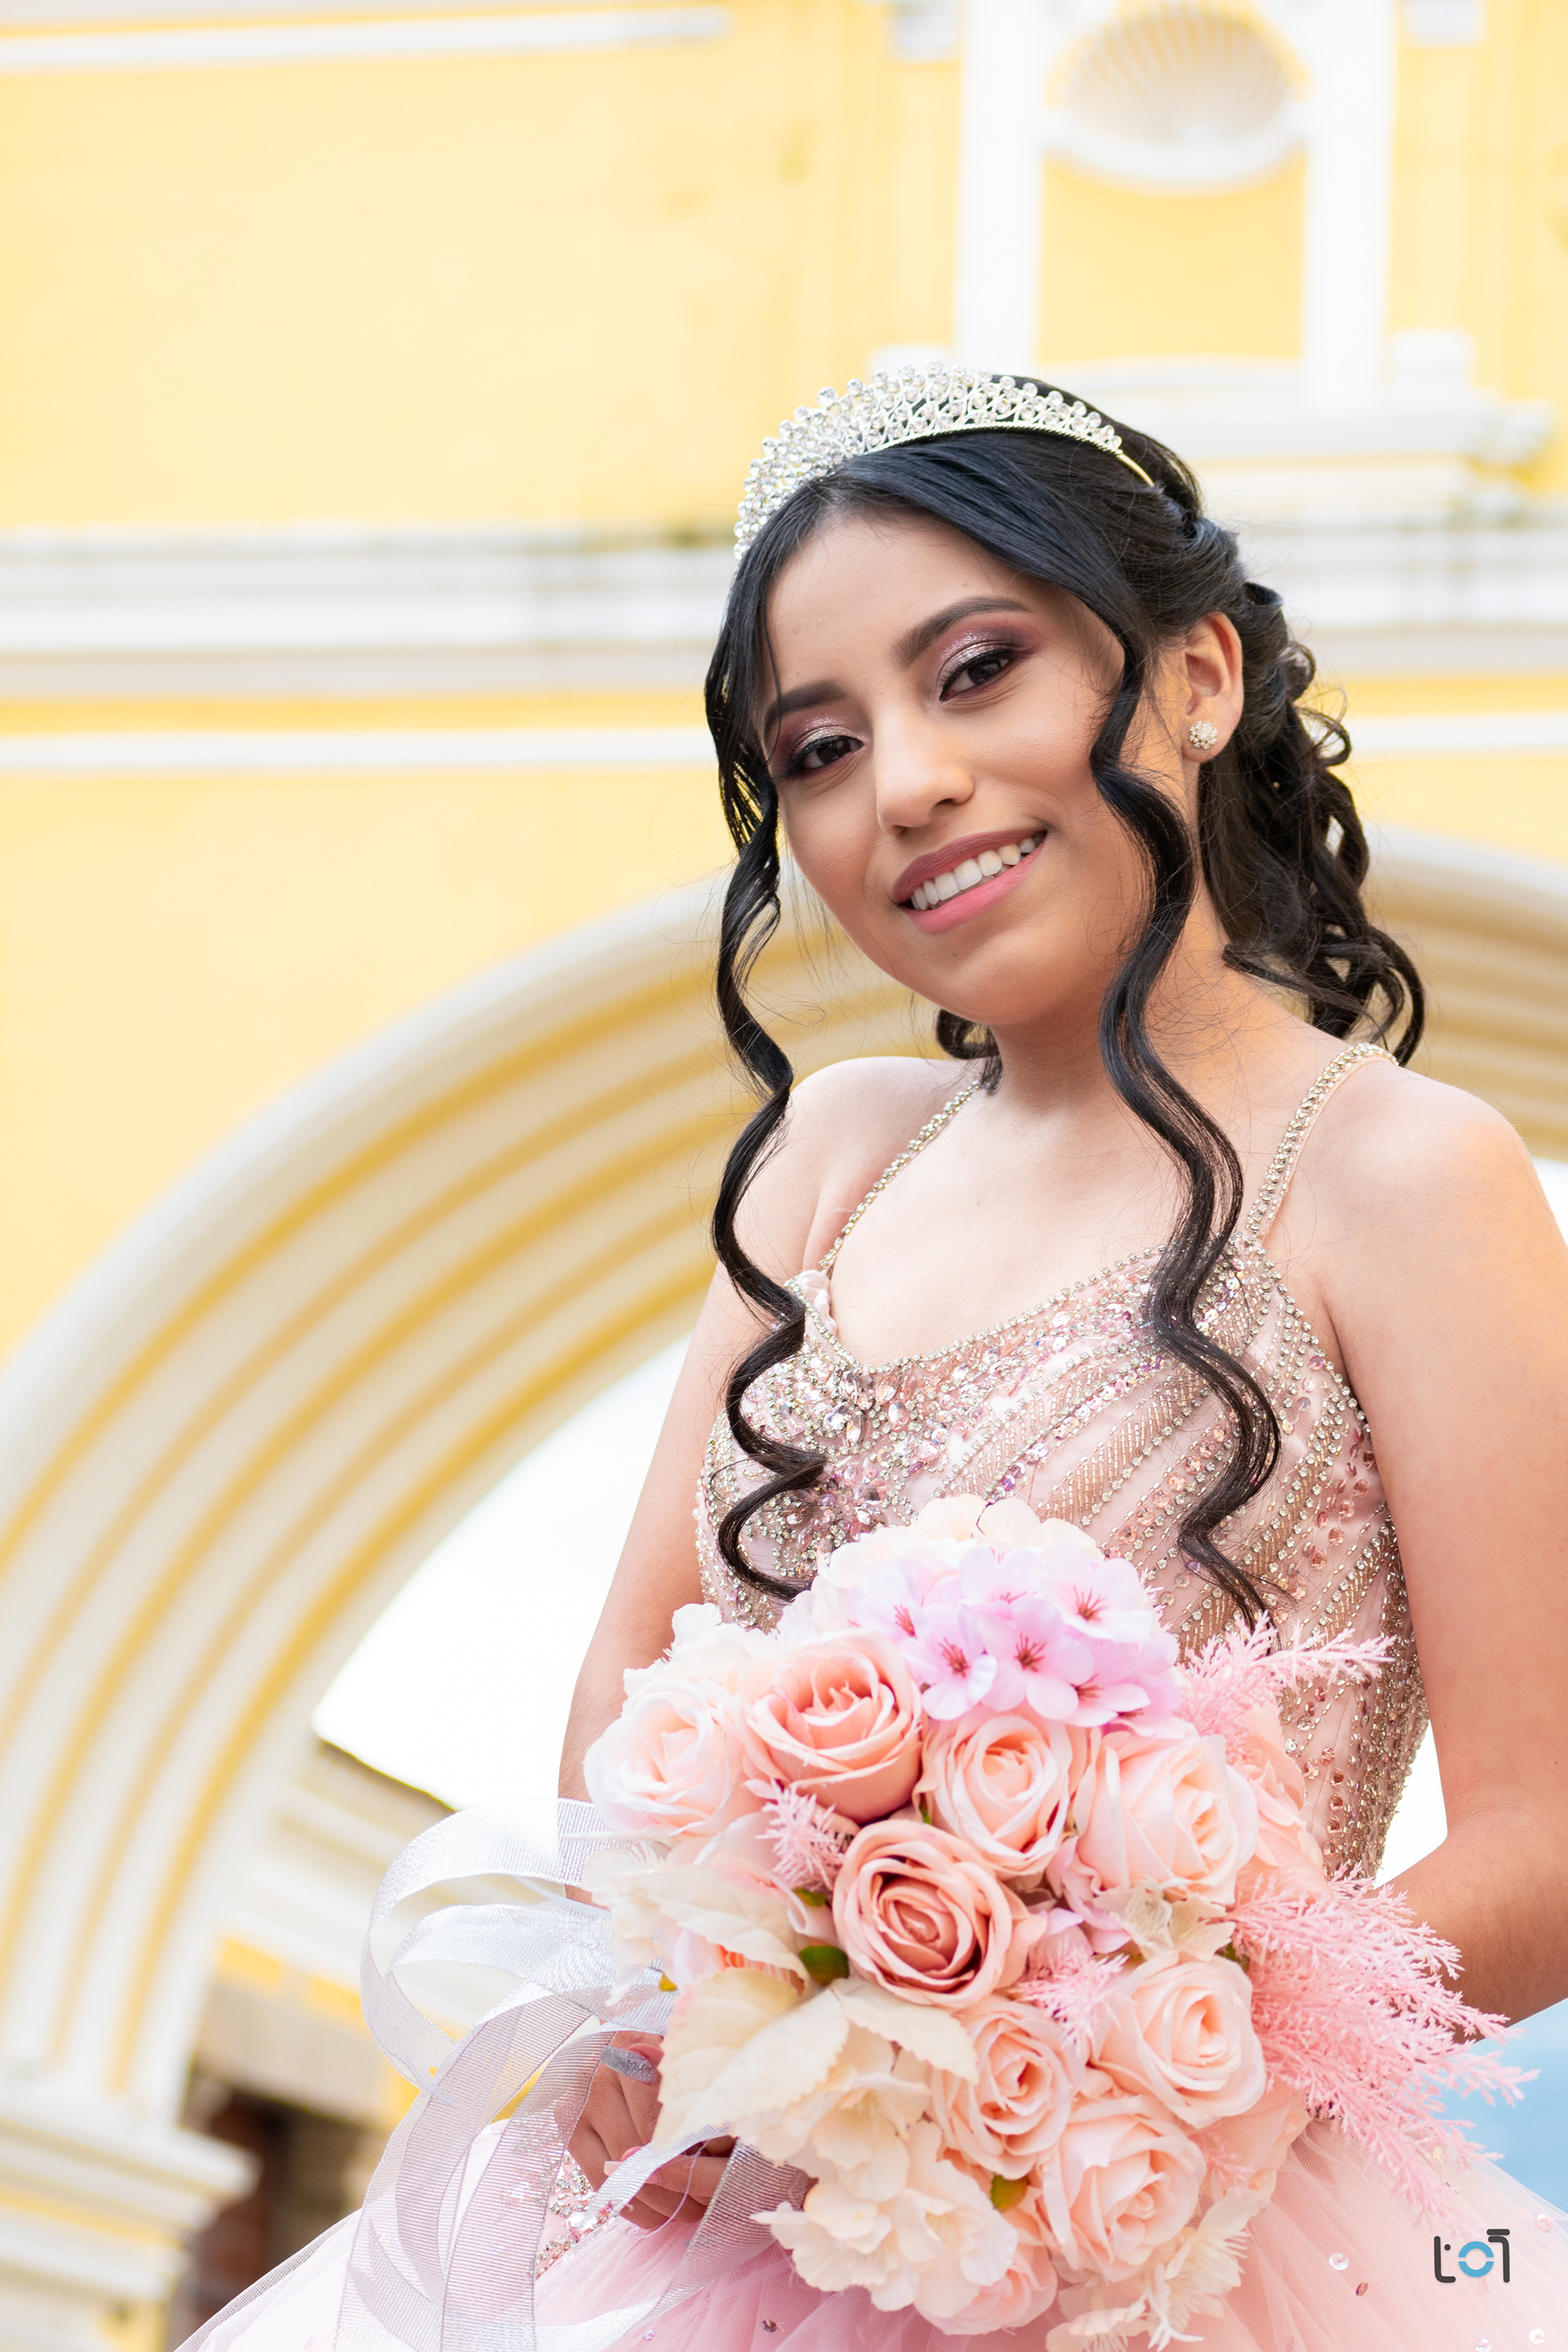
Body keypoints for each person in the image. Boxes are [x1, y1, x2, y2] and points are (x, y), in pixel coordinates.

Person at [185, 372, 1568, 2350]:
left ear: (1197, 676)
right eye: (819, 749)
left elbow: (1545, 1840)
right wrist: (674, 2012)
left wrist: (1081, 2060)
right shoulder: (831, 1158)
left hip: (1185, 2240)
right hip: (738, 2237)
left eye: (977, 671)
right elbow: (624, 1713)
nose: (903, 784)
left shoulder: (1403, 1178)